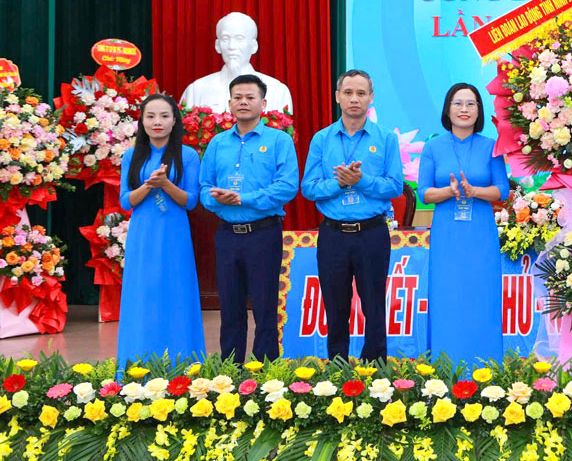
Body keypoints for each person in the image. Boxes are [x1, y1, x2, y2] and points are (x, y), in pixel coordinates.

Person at [301, 70, 403, 361]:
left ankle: (376, 368)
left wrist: (362, 180)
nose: (354, 99)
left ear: (371, 98)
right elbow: (308, 188)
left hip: (372, 233)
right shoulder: (322, 139)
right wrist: (339, 183)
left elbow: (395, 186)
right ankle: (337, 367)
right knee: (335, 306)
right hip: (333, 234)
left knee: (374, 305)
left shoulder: (386, 139)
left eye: (361, 93)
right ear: (338, 97)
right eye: (348, 93)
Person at [199, 75, 299, 362]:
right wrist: (216, 199)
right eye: (238, 97)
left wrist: (245, 198)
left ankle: (266, 370)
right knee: (230, 307)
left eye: (250, 97)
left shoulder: (279, 141)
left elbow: (287, 186)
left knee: (265, 306)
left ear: (263, 103)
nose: (243, 102)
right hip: (227, 234)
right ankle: (231, 369)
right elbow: (204, 187)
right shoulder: (217, 143)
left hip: (263, 233)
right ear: (229, 103)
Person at [418, 83, 509, 366]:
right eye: (458, 103)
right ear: (447, 109)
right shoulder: (433, 147)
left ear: (479, 111)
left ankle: (486, 368)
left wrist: (474, 191)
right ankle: (445, 367)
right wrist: (450, 192)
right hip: (447, 234)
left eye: (471, 104)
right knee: (448, 297)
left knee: (482, 297)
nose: (464, 109)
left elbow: (502, 190)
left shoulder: (491, 146)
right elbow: (424, 193)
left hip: (481, 233)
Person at [117, 94, 205, 365]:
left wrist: (166, 184)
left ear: (174, 120)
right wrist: (148, 185)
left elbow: (191, 201)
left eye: (164, 116)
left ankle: (183, 364)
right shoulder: (131, 155)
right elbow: (125, 201)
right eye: (151, 116)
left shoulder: (187, 155)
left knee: (177, 294)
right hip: (142, 235)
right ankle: (136, 364)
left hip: (175, 235)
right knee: (142, 296)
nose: (157, 122)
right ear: (142, 121)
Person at [181, 12, 293, 113]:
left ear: (254, 46)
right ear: (217, 45)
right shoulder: (196, 90)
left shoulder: (277, 91)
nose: (231, 46)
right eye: (225, 39)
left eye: (239, 38)